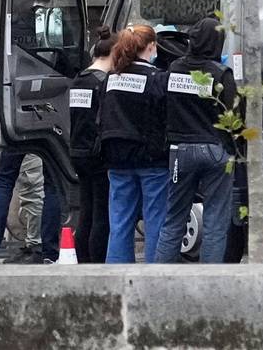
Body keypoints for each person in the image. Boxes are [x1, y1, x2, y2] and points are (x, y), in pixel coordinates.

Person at [0, 36, 61, 265]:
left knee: (5, 182)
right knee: (51, 184)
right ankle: (49, 252)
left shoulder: (7, 33)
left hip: (15, 116)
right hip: (49, 112)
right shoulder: (50, 30)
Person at [154, 17, 239, 264]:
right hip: (215, 149)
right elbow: (234, 117)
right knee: (215, 222)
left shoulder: (174, 69)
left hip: (180, 150)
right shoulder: (220, 74)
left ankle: (158, 280)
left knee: (173, 219)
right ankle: (209, 281)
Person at [99, 24, 168, 263]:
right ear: (151, 46)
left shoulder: (111, 79)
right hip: (152, 158)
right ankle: (153, 277)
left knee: (119, 222)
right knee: (155, 221)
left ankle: (117, 275)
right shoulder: (157, 78)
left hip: (117, 157)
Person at [69, 26, 115, 263]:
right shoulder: (103, 82)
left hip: (78, 150)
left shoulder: (79, 79)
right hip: (98, 153)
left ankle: (83, 260)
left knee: (85, 210)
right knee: (101, 213)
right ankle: (97, 263)